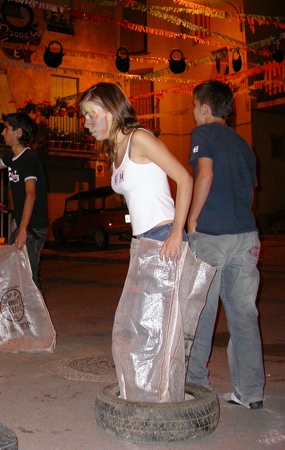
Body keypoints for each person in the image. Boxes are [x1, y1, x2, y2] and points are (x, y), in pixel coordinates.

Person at [79, 82, 193, 401]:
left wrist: (175, 231)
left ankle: (165, 403)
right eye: (84, 116)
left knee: (161, 331)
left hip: (163, 237)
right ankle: (147, 396)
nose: (86, 122)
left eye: (91, 114)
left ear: (112, 110)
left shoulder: (139, 138)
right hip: (142, 243)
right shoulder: (115, 150)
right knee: (141, 328)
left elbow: (184, 178)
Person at [186, 80, 264, 409]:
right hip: (246, 236)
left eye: (193, 105)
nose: (192, 111)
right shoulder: (244, 144)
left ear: (204, 108)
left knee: (201, 311)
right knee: (244, 313)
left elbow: (204, 175)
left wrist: (191, 219)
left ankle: (196, 388)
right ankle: (250, 392)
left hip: (212, 236)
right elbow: (251, 191)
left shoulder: (203, 134)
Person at [0, 113, 49, 286]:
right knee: (13, 271)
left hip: (33, 228)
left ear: (19, 133)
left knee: (28, 277)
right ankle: (21, 311)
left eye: (6, 128)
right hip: (24, 226)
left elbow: (31, 194)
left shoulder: (29, 159)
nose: (2, 133)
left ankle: (33, 312)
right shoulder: (11, 159)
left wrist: (22, 230)